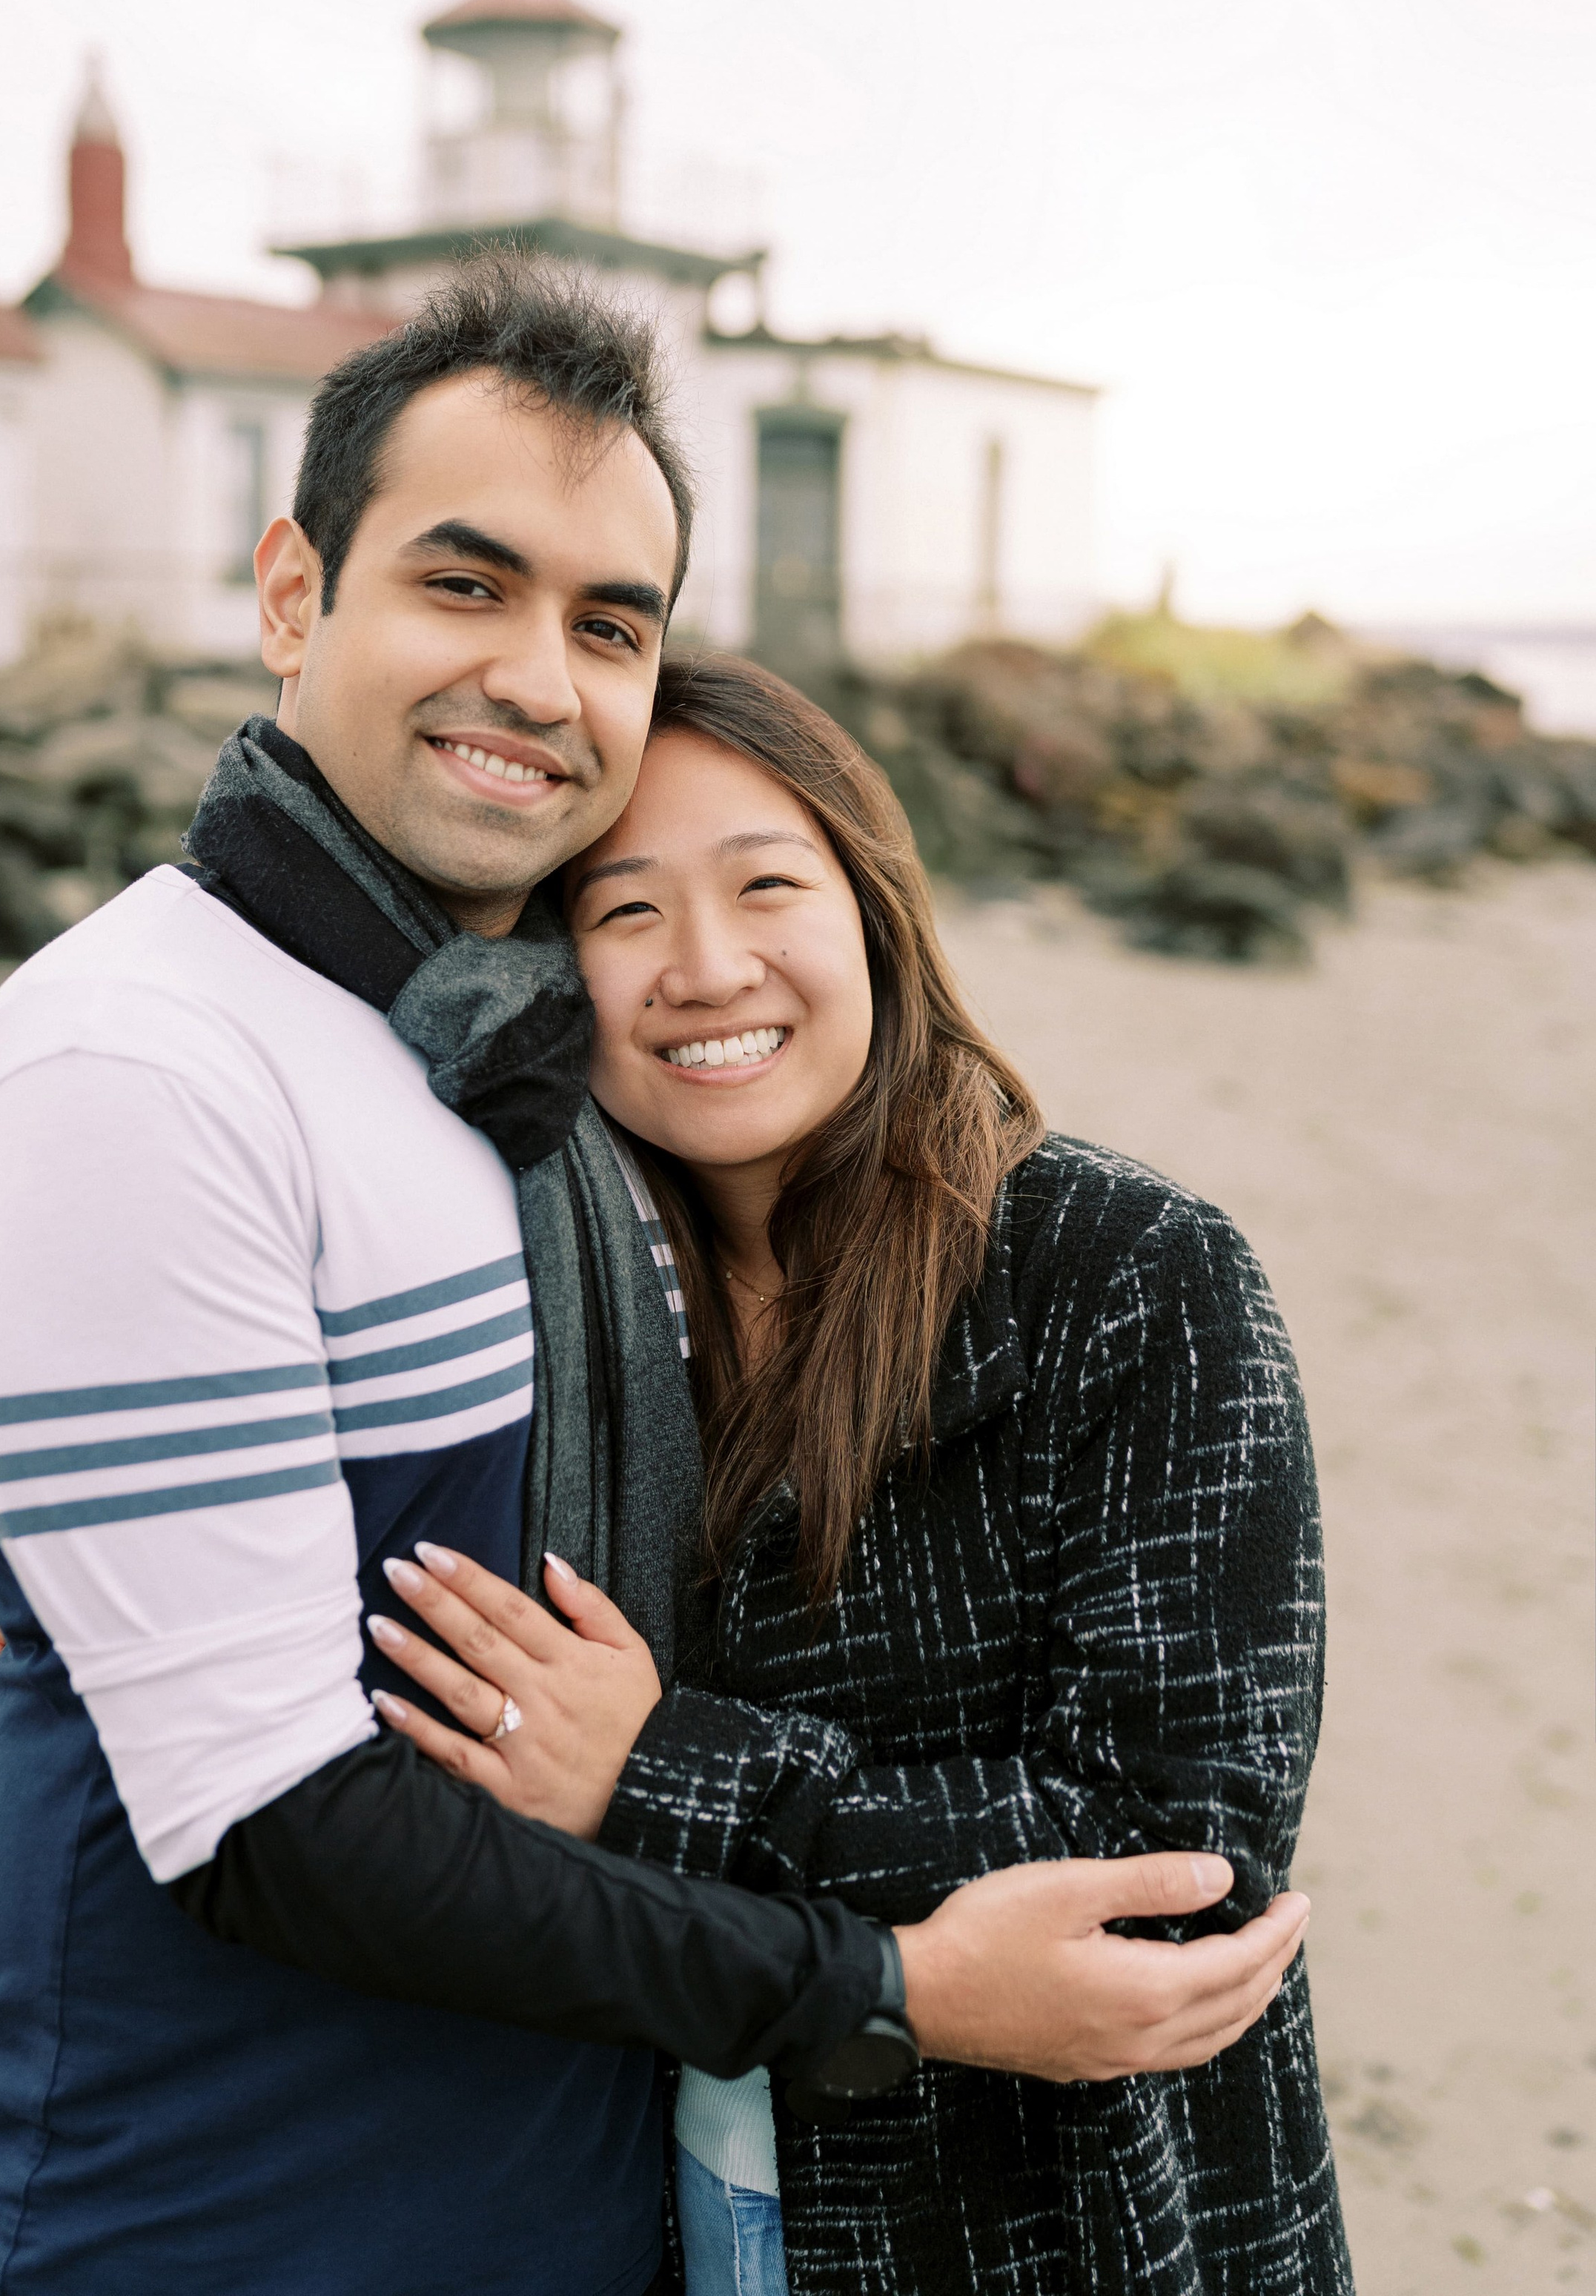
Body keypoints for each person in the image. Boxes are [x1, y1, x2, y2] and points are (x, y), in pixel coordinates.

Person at [0, 257, 1311, 2296]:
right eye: (464, 586)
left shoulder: (531, 1085)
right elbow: (274, 1810)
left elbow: (1167, 1812)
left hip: (666, 2207)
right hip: (219, 2225)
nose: (542, 680)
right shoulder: (141, 1062)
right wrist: (890, 1981)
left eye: (611, 622)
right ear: (294, 591)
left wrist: (679, 1786)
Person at [371, 650, 1353, 2295]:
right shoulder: (546, 1294)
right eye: (621, 915)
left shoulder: (1126, 1274)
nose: (704, 968)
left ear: (872, 914)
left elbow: (1175, 1852)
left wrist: (660, 1770)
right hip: (655, 2185)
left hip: (1059, 2219)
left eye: (766, 885)